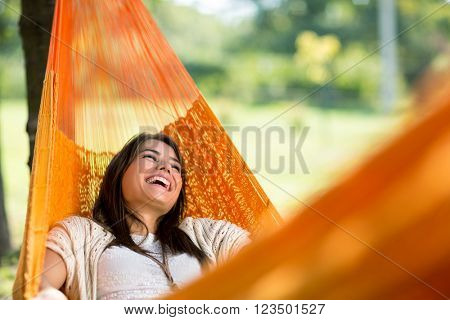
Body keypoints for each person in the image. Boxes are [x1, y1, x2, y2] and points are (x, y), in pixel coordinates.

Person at [34, 132, 251, 300]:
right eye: (150, 157)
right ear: (119, 172)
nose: (166, 167)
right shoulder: (81, 234)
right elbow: (36, 285)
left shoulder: (208, 235)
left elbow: (265, 256)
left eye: (175, 167)